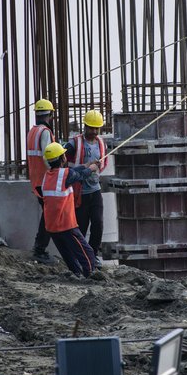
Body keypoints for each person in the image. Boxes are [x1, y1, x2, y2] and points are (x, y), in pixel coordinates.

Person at [40, 142, 100, 277]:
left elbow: (73, 172)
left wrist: (86, 165)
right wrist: (92, 168)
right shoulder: (65, 175)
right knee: (87, 253)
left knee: (68, 255)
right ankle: (92, 275)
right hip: (65, 225)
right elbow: (80, 175)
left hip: (51, 226)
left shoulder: (48, 176)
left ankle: (77, 275)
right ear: (63, 158)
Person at [65, 109, 108, 268]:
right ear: (85, 126)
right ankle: (79, 257)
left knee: (98, 223)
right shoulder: (75, 142)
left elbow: (104, 162)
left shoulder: (101, 143)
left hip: (95, 190)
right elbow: (63, 160)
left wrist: (97, 170)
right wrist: (82, 169)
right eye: (91, 128)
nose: (94, 131)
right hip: (79, 192)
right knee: (81, 227)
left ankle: (93, 255)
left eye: (96, 128)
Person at [26, 99, 56, 264]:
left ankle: (40, 248)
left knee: (48, 215)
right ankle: (39, 249)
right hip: (45, 180)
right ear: (50, 114)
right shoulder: (45, 132)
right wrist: (56, 170)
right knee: (49, 216)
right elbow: (47, 156)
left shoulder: (32, 131)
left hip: (36, 180)